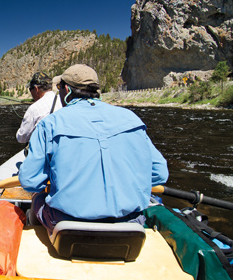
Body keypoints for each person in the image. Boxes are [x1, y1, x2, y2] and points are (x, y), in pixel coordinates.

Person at [18, 64, 169, 234]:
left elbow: (30, 181)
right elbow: (159, 173)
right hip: (130, 224)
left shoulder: (49, 124)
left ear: (66, 90)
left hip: (66, 225)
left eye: (59, 88)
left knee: (38, 198)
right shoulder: (131, 119)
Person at [16, 72, 62, 144]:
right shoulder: (62, 100)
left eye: (30, 89)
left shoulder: (34, 109)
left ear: (36, 89)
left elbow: (22, 138)